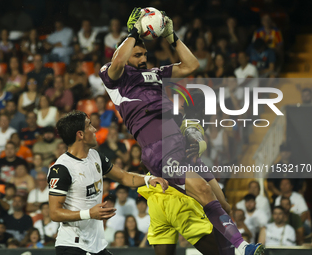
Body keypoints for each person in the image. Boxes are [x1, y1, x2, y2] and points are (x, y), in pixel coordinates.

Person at [99, 8, 263, 255]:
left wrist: (171, 36)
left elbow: (191, 65)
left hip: (180, 141)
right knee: (203, 191)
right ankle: (240, 247)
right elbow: (118, 61)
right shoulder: (114, 77)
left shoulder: (154, 74)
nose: (143, 58)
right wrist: (133, 31)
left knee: (224, 204)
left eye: (145, 53)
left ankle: (235, 248)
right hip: (158, 146)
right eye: (137, 54)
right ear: (125, 53)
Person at [47, 110, 168, 255]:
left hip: (96, 245)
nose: (94, 129)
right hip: (73, 246)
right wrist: (89, 213)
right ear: (80, 134)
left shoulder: (95, 156)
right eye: (89, 125)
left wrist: (149, 179)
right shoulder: (61, 168)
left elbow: (123, 177)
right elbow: (54, 213)